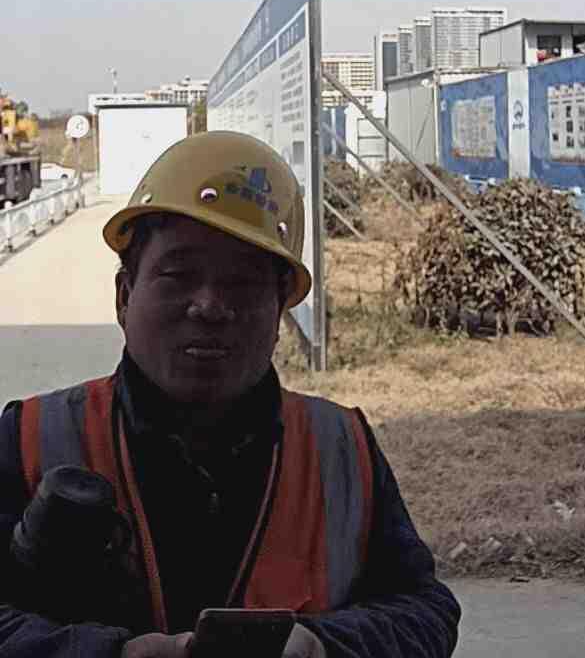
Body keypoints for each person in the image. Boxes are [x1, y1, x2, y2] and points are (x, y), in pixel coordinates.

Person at [0, 131, 460, 657]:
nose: (210, 306)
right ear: (124, 296)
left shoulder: (340, 447)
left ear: (279, 311)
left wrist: (321, 645)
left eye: (242, 283)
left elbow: (424, 609)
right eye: (178, 275)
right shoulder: (32, 439)